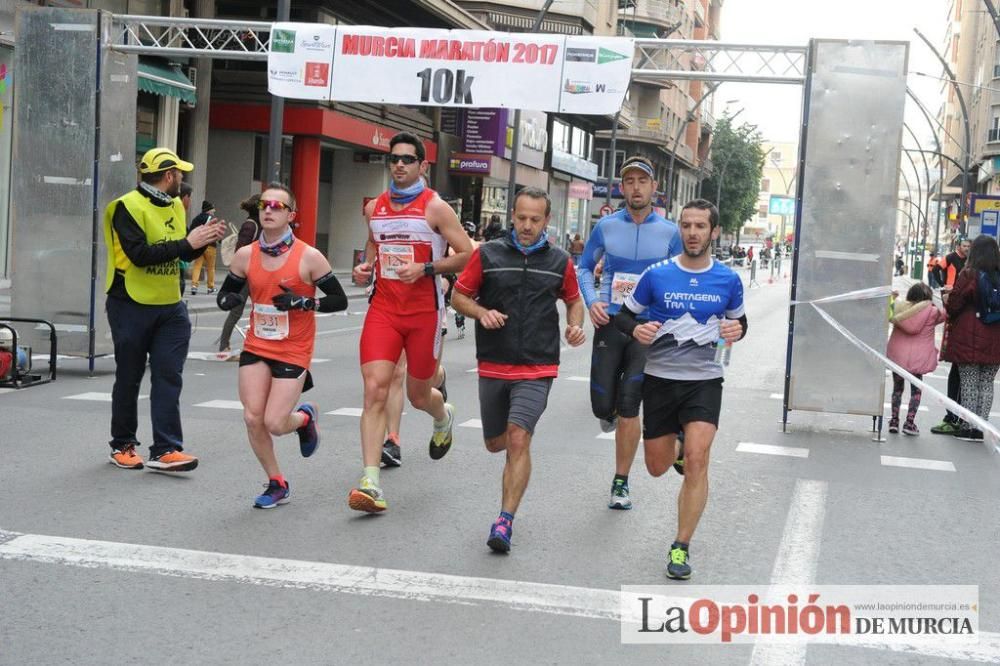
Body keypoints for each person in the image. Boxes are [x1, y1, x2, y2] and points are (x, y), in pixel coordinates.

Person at [615, 198, 747, 580]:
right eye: (686, 225)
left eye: (700, 226)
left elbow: (740, 323)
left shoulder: (728, 279)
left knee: (698, 458)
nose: (692, 232)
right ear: (680, 230)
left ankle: (680, 546)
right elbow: (624, 316)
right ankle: (673, 452)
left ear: (714, 232)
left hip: (705, 381)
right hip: (660, 379)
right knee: (656, 467)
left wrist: (736, 331)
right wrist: (634, 329)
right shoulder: (658, 275)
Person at [451, 187, 586, 553]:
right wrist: (481, 312)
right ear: (512, 215)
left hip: (537, 364)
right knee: (496, 443)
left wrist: (575, 326)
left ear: (547, 221)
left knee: (517, 437)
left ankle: (504, 521)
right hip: (494, 362)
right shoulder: (489, 255)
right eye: (522, 217)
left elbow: (574, 301)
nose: (527, 226)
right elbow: (458, 296)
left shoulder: (559, 260)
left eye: (535, 219)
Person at [350, 131, 473, 513]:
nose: (399, 165)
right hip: (384, 310)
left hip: (423, 312)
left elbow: (467, 254)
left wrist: (427, 268)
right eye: (394, 159)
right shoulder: (375, 208)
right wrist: (365, 267)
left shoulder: (435, 208)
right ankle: (370, 482)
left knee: (420, 395)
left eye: (407, 159)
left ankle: (443, 415)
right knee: (375, 390)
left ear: (422, 165)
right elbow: (374, 243)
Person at [216, 183, 347, 507]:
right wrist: (227, 299)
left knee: (275, 423)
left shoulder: (309, 257)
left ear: (291, 215)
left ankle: (304, 418)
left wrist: (304, 302)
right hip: (258, 344)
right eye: (265, 205)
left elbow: (338, 300)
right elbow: (225, 294)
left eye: (277, 206)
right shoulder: (246, 255)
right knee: (252, 417)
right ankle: (277, 482)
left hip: (293, 348)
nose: (269, 210)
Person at [103, 147, 224, 471]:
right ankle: (123, 445)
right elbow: (140, 254)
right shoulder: (125, 207)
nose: (182, 179)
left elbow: (178, 252)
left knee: (169, 374)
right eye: (180, 174)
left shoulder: (174, 205)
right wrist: (188, 243)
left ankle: (166, 449)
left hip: (170, 306)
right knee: (129, 377)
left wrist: (203, 240)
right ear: (169, 176)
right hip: (130, 302)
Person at [576, 155, 682, 511]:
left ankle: (620, 481)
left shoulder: (670, 233)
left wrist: (669, 320)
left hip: (646, 328)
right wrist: (592, 301)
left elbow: (681, 275)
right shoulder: (605, 226)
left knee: (628, 406)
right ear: (622, 188)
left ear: (654, 187)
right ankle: (611, 414)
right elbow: (584, 266)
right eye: (630, 182)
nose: (636, 188)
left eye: (642, 181)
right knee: (602, 406)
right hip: (611, 322)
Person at [942, 235, 1000, 442]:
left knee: (969, 382)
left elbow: (954, 305)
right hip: (995, 339)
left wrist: (947, 298)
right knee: (986, 383)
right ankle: (980, 427)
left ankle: (967, 425)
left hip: (969, 335)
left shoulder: (969, 274)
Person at [886, 282, 946, 435]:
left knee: (897, 389)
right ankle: (909, 423)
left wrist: (892, 298)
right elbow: (946, 314)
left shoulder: (899, 308)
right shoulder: (932, 312)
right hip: (918, 360)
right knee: (916, 391)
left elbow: (888, 311)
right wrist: (946, 298)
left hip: (898, 356)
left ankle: (894, 421)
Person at [931, 237, 971, 435]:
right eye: (964, 246)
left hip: (963, 336)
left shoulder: (969, 274)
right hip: (983, 343)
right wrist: (942, 284)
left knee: (958, 375)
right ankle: (971, 423)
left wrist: (948, 296)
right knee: (977, 382)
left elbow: (952, 309)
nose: (966, 249)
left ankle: (954, 418)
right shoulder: (987, 274)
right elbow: (936, 268)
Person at [219, 193, 263, 354]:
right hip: (246, 275)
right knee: (236, 311)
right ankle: (224, 346)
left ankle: (261, 343)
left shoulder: (258, 224)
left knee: (264, 308)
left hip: (256, 274)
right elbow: (240, 250)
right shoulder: (251, 225)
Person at [189, 200, 219, 295]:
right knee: (210, 267)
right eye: (212, 209)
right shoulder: (212, 219)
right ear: (209, 210)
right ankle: (210, 287)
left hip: (199, 245)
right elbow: (216, 232)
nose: (213, 211)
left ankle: (194, 286)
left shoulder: (196, 219)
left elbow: (191, 230)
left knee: (197, 266)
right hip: (210, 245)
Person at [178, 182, 194, 296]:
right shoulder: (178, 215)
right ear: (185, 198)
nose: (190, 202)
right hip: (176, 268)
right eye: (190, 198)